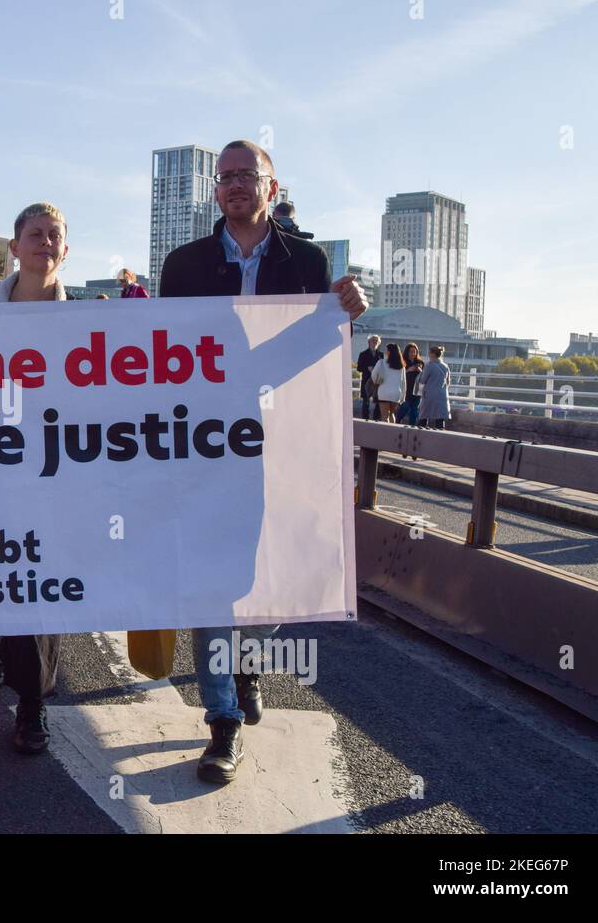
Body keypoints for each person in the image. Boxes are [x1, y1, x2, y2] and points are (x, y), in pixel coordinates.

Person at [158, 139, 367, 784]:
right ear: (215, 192)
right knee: (213, 581)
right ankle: (221, 722)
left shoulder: (306, 261)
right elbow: (165, 354)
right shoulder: (184, 264)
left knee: (281, 570)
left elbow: (316, 345)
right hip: (211, 446)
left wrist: (347, 310)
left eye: (248, 175)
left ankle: (245, 661)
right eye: (225, 177)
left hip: (283, 447)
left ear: (272, 188)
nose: (235, 185)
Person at [0, 202, 69, 754]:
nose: (45, 243)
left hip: (52, 476)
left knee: (38, 586)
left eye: (54, 236)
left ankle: (32, 705)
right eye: (35, 234)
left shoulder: (85, 320)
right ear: (15, 247)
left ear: (65, 250)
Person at [418, 345, 452, 429]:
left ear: (433, 354)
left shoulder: (429, 365)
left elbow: (422, 380)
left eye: (429, 353)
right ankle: (440, 437)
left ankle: (421, 435)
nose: (428, 354)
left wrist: (420, 373)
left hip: (430, 394)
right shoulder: (445, 366)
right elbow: (448, 382)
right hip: (442, 395)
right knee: (440, 418)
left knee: (424, 415)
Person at [371, 342, 405, 423]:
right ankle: (393, 433)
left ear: (389, 352)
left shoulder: (381, 362)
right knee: (392, 414)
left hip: (384, 392)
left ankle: (385, 434)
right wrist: (403, 396)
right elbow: (403, 382)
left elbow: (374, 376)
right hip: (396, 393)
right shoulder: (401, 366)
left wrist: (378, 381)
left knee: (384, 416)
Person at [356, 335, 383, 420]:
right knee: (366, 401)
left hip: (377, 381)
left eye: (376, 341)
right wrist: (367, 368)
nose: (374, 342)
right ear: (369, 342)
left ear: (378, 343)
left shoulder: (380, 355)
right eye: (373, 341)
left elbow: (383, 368)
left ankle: (376, 419)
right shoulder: (363, 354)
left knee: (378, 401)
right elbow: (359, 368)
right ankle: (365, 419)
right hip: (366, 380)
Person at [396, 342, 423, 426]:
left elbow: (425, 376)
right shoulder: (403, 362)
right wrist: (408, 370)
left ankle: (412, 428)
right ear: (407, 352)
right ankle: (397, 422)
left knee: (414, 412)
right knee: (405, 408)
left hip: (417, 391)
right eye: (410, 351)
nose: (412, 354)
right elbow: (398, 374)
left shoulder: (420, 363)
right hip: (406, 391)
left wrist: (420, 371)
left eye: (414, 352)